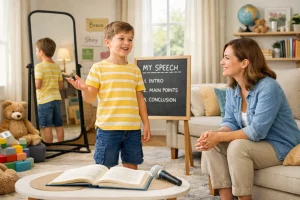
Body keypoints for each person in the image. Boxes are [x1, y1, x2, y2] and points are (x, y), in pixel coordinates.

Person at [196, 38, 300, 200]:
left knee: (238, 147)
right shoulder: (233, 88)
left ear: (244, 63)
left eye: (227, 58)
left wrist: (220, 136)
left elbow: (257, 131)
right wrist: (214, 134)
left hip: (280, 145)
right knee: (212, 145)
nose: (222, 62)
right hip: (257, 144)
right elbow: (230, 122)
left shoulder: (268, 87)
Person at [66, 21, 151, 170]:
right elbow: (90, 98)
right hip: (108, 129)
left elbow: (140, 100)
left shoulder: (135, 70)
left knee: (131, 166)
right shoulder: (98, 68)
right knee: (104, 167)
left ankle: (127, 192)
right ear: (108, 42)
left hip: (132, 129)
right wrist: (85, 89)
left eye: (130, 39)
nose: (127, 43)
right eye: (122, 38)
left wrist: (146, 123)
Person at [35, 37, 65, 143]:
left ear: (41, 52)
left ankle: (50, 145)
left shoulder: (39, 67)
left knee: (47, 126)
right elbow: (61, 86)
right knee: (58, 124)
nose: (36, 53)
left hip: (44, 100)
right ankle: (61, 144)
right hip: (57, 99)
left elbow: (38, 85)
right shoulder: (57, 66)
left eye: (36, 50)